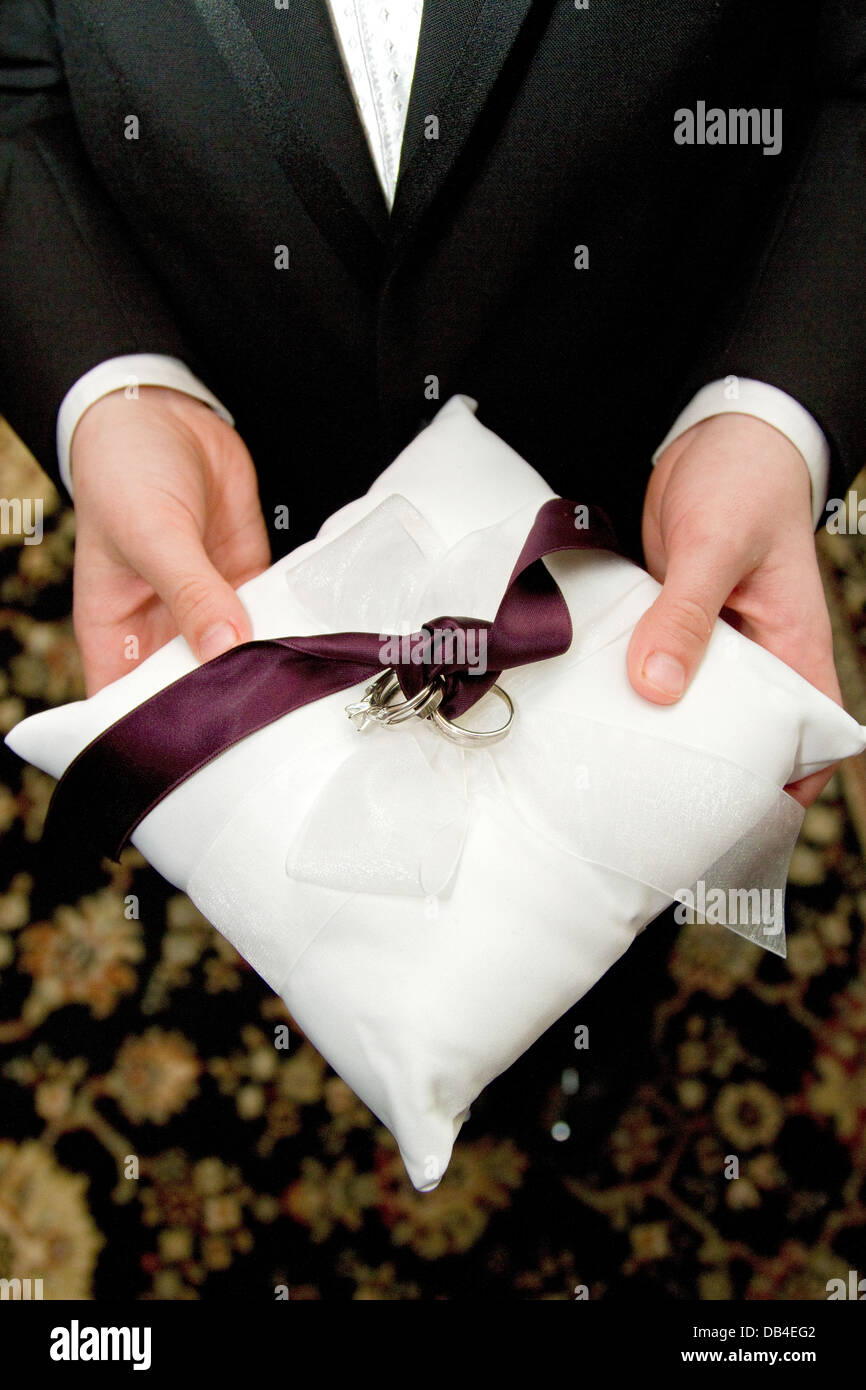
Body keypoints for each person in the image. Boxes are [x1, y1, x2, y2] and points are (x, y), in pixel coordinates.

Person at [1, 1, 863, 812]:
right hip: (237, 497)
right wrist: (116, 388)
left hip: (644, 495)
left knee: (603, 896)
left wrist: (768, 413)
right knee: (266, 858)